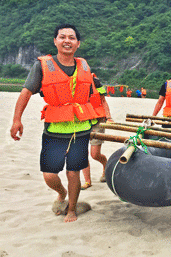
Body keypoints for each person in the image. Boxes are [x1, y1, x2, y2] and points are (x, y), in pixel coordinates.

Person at [10, 24, 103, 222]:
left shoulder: (85, 66)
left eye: (71, 38)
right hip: (54, 128)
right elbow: (26, 92)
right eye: (62, 37)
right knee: (49, 175)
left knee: (73, 172)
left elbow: (95, 97)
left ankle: (71, 209)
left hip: (81, 128)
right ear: (55, 41)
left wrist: (102, 117)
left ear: (78, 44)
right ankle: (61, 193)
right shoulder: (42, 66)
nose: (67, 41)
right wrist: (16, 119)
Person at [81, 75, 113, 190]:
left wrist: (109, 117)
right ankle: (87, 181)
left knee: (95, 154)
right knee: (82, 153)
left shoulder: (95, 81)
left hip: (98, 121)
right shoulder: (72, 83)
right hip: (81, 121)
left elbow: (103, 101)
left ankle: (106, 165)